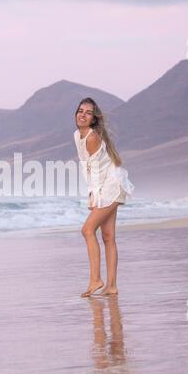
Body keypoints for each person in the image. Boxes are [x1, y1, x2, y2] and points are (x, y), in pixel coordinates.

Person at [73, 97, 135, 297]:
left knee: (87, 230)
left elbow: (97, 173)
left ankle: (95, 279)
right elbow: (89, 168)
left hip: (111, 186)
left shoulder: (91, 137)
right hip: (107, 186)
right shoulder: (77, 135)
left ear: (93, 119)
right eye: (80, 110)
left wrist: (95, 199)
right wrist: (93, 196)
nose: (82, 114)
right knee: (108, 237)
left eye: (88, 112)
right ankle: (112, 286)